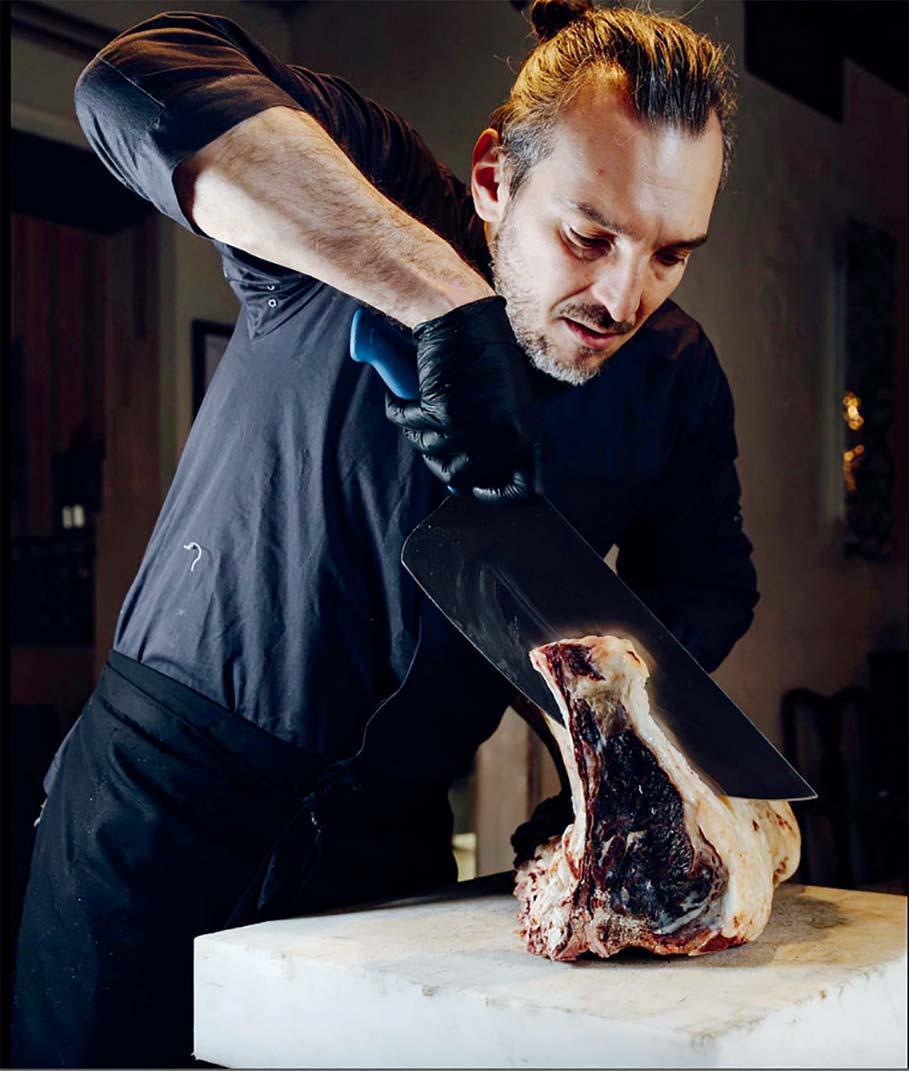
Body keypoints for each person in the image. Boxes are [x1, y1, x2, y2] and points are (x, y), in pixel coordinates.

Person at [12, 1, 758, 1066]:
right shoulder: (376, 187)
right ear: (495, 179)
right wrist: (443, 302)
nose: (621, 295)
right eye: (588, 235)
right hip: (153, 818)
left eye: (671, 254)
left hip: (388, 863)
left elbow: (709, 584)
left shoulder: (675, 379)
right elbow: (135, 84)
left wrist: (613, 757)